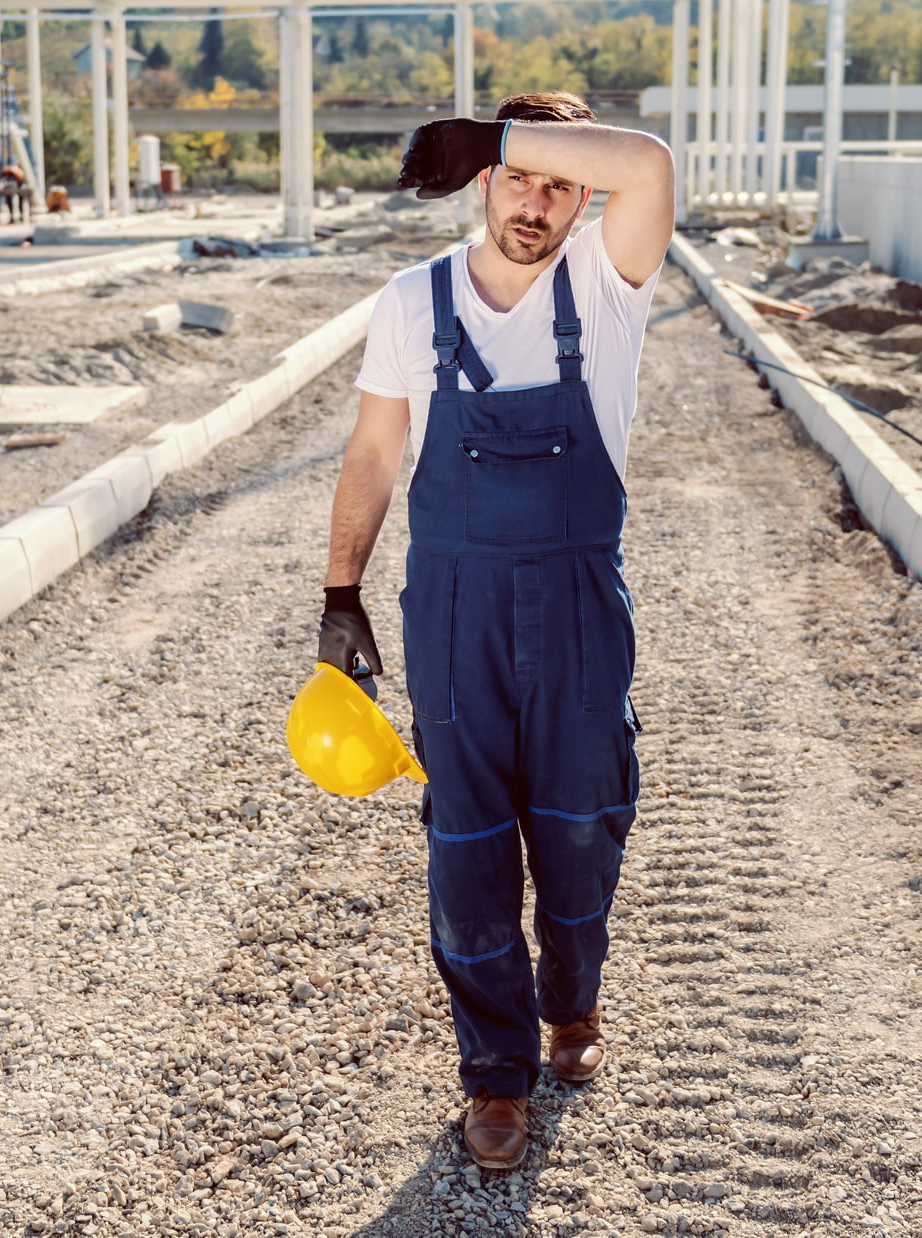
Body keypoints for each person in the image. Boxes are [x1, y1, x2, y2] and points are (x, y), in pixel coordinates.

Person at [316, 91, 674, 1169]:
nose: (536, 200)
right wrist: (342, 594)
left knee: (579, 831)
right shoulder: (409, 303)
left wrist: (505, 133)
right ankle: (495, 1076)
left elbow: (649, 163)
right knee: (467, 847)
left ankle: (574, 1008)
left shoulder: (608, 286)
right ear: (482, 186)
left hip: (576, 608)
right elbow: (377, 454)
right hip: (456, 609)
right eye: (516, 177)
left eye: (558, 180)